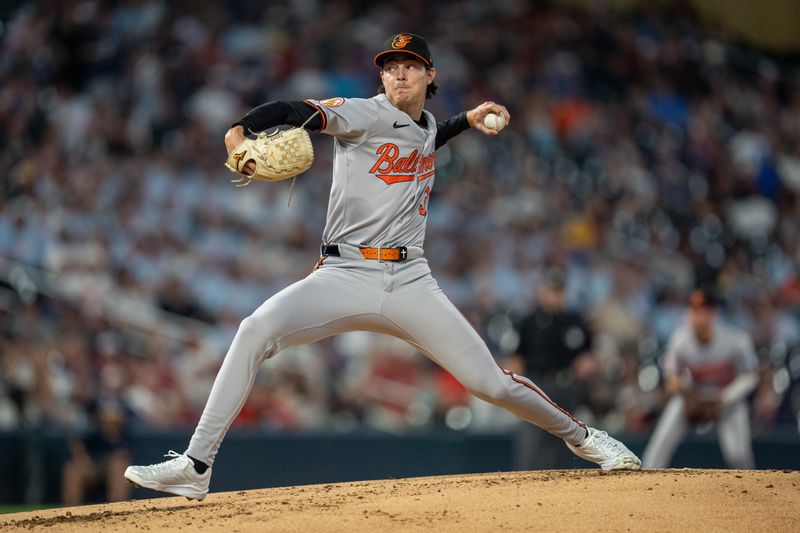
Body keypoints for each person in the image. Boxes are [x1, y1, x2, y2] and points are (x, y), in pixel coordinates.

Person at [124, 33, 639, 501]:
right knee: (254, 329)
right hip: (343, 276)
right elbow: (294, 108)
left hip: (411, 281)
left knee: (492, 384)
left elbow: (425, 137)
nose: (397, 74)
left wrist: (468, 119)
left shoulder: (427, 124)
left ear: (430, 75)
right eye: (390, 66)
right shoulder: (362, 113)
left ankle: (587, 440)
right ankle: (196, 466)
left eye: (409, 66)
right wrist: (240, 131)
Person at [642, 289, 759, 469]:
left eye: (704, 309)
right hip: (693, 398)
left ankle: (752, 495)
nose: (699, 315)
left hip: (727, 401)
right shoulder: (680, 340)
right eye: (694, 310)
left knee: (739, 456)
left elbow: (750, 376)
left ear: (714, 313)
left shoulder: (735, 339)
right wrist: (686, 393)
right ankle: (644, 486)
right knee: (659, 445)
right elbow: (671, 379)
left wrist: (725, 398)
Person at [507, 266, 599, 469]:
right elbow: (515, 359)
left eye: (560, 290)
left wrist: (585, 364)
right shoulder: (529, 322)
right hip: (537, 386)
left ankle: (558, 498)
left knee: (562, 450)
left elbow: (589, 355)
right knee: (531, 448)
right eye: (552, 290)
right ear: (542, 290)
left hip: (566, 388)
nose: (555, 295)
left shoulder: (574, 321)